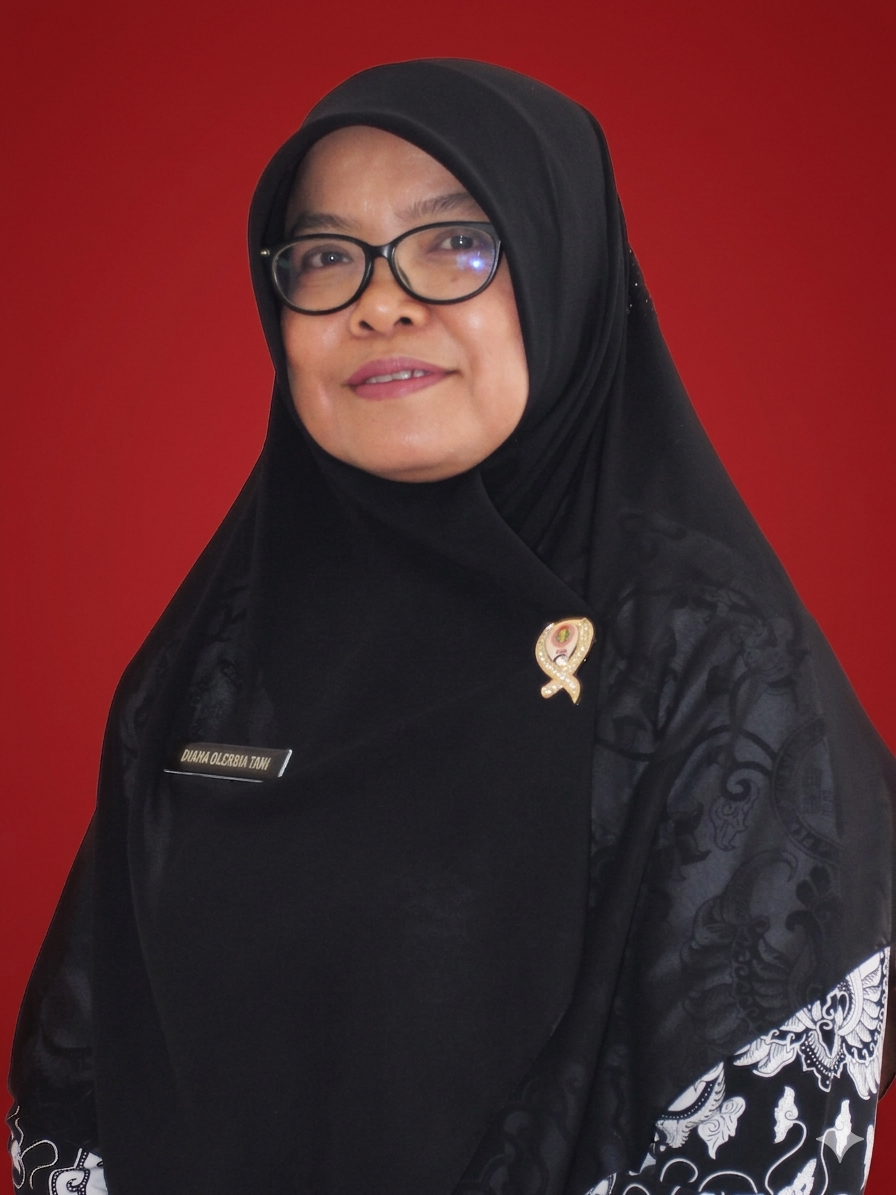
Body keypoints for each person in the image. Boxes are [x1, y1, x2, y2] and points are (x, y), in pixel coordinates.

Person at [7, 59, 894, 1195]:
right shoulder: (208, 665)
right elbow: (83, 1085)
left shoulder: (714, 669)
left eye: (457, 242)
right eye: (324, 256)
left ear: (565, 267)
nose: (379, 302)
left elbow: (751, 1127)